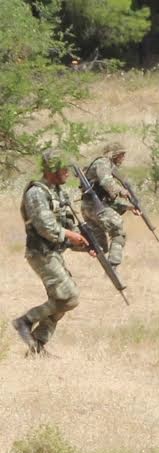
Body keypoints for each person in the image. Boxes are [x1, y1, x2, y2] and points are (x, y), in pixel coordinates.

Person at [10, 148, 93, 356]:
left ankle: (37, 346)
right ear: (51, 170)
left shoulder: (57, 192)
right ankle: (25, 321)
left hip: (53, 253)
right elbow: (45, 227)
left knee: (61, 303)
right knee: (69, 298)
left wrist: (84, 244)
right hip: (41, 253)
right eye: (64, 169)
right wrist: (71, 237)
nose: (67, 173)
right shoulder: (36, 193)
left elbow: (66, 226)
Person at [81, 142, 138, 270]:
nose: (123, 158)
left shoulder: (105, 166)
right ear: (114, 154)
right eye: (121, 155)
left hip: (92, 207)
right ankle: (113, 267)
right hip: (96, 207)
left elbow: (107, 200)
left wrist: (128, 207)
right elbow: (106, 182)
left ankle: (70, 239)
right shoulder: (103, 163)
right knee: (118, 232)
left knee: (100, 246)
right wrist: (120, 190)